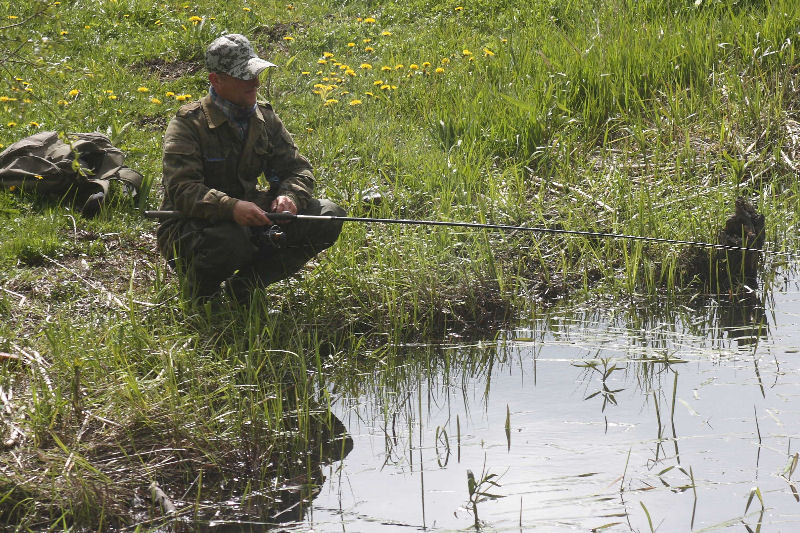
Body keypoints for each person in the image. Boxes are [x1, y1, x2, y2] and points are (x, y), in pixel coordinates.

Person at [156, 33, 345, 302]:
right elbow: (183, 190)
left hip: (252, 217)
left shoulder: (265, 118)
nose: (255, 82)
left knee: (328, 216)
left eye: (255, 73)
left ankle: (244, 288)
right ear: (216, 80)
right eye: (244, 76)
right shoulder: (188, 124)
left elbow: (297, 169)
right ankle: (200, 293)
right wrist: (231, 208)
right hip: (191, 227)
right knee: (232, 239)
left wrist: (289, 198)